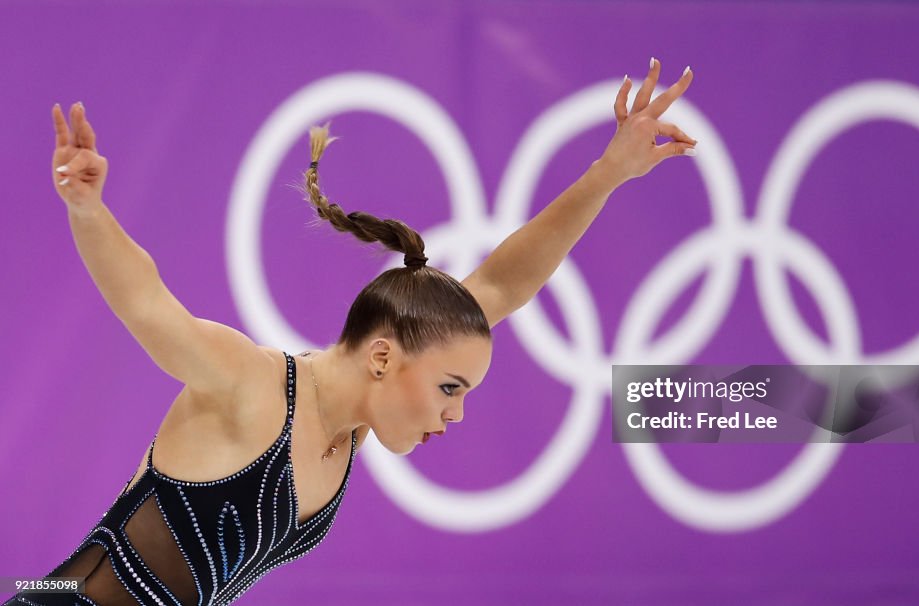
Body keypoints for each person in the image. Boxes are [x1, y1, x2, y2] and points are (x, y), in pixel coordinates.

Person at [5, 58, 697, 606]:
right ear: (383, 356)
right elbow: (148, 306)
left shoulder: (353, 419)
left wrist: (609, 174)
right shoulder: (250, 386)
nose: (455, 415)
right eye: (450, 388)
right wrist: (88, 210)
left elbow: (505, 284)